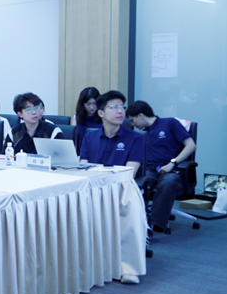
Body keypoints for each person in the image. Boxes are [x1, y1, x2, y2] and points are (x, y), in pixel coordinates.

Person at [127, 100, 197, 233]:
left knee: (167, 183)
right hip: (150, 169)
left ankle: (155, 225)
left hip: (172, 170)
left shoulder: (170, 123)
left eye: (132, 120)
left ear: (140, 115)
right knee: (136, 183)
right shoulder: (142, 135)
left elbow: (191, 145)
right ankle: (134, 222)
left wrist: (172, 163)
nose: (132, 124)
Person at [80, 91, 144, 177]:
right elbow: (84, 170)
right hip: (93, 183)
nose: (120, 111)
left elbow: (129, 175)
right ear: (101, 113)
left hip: (121, 184)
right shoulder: (88, 137)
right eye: (114, 107)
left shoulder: (136, 138)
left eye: (122, 107)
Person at [73, 87, 102, 152]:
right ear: (82, 104)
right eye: (88, 104)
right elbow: (74, 140)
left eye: (94, 104)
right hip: (80, 153)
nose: (91, 107)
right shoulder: (76, 117)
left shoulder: (103, 117)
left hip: (98, 153)